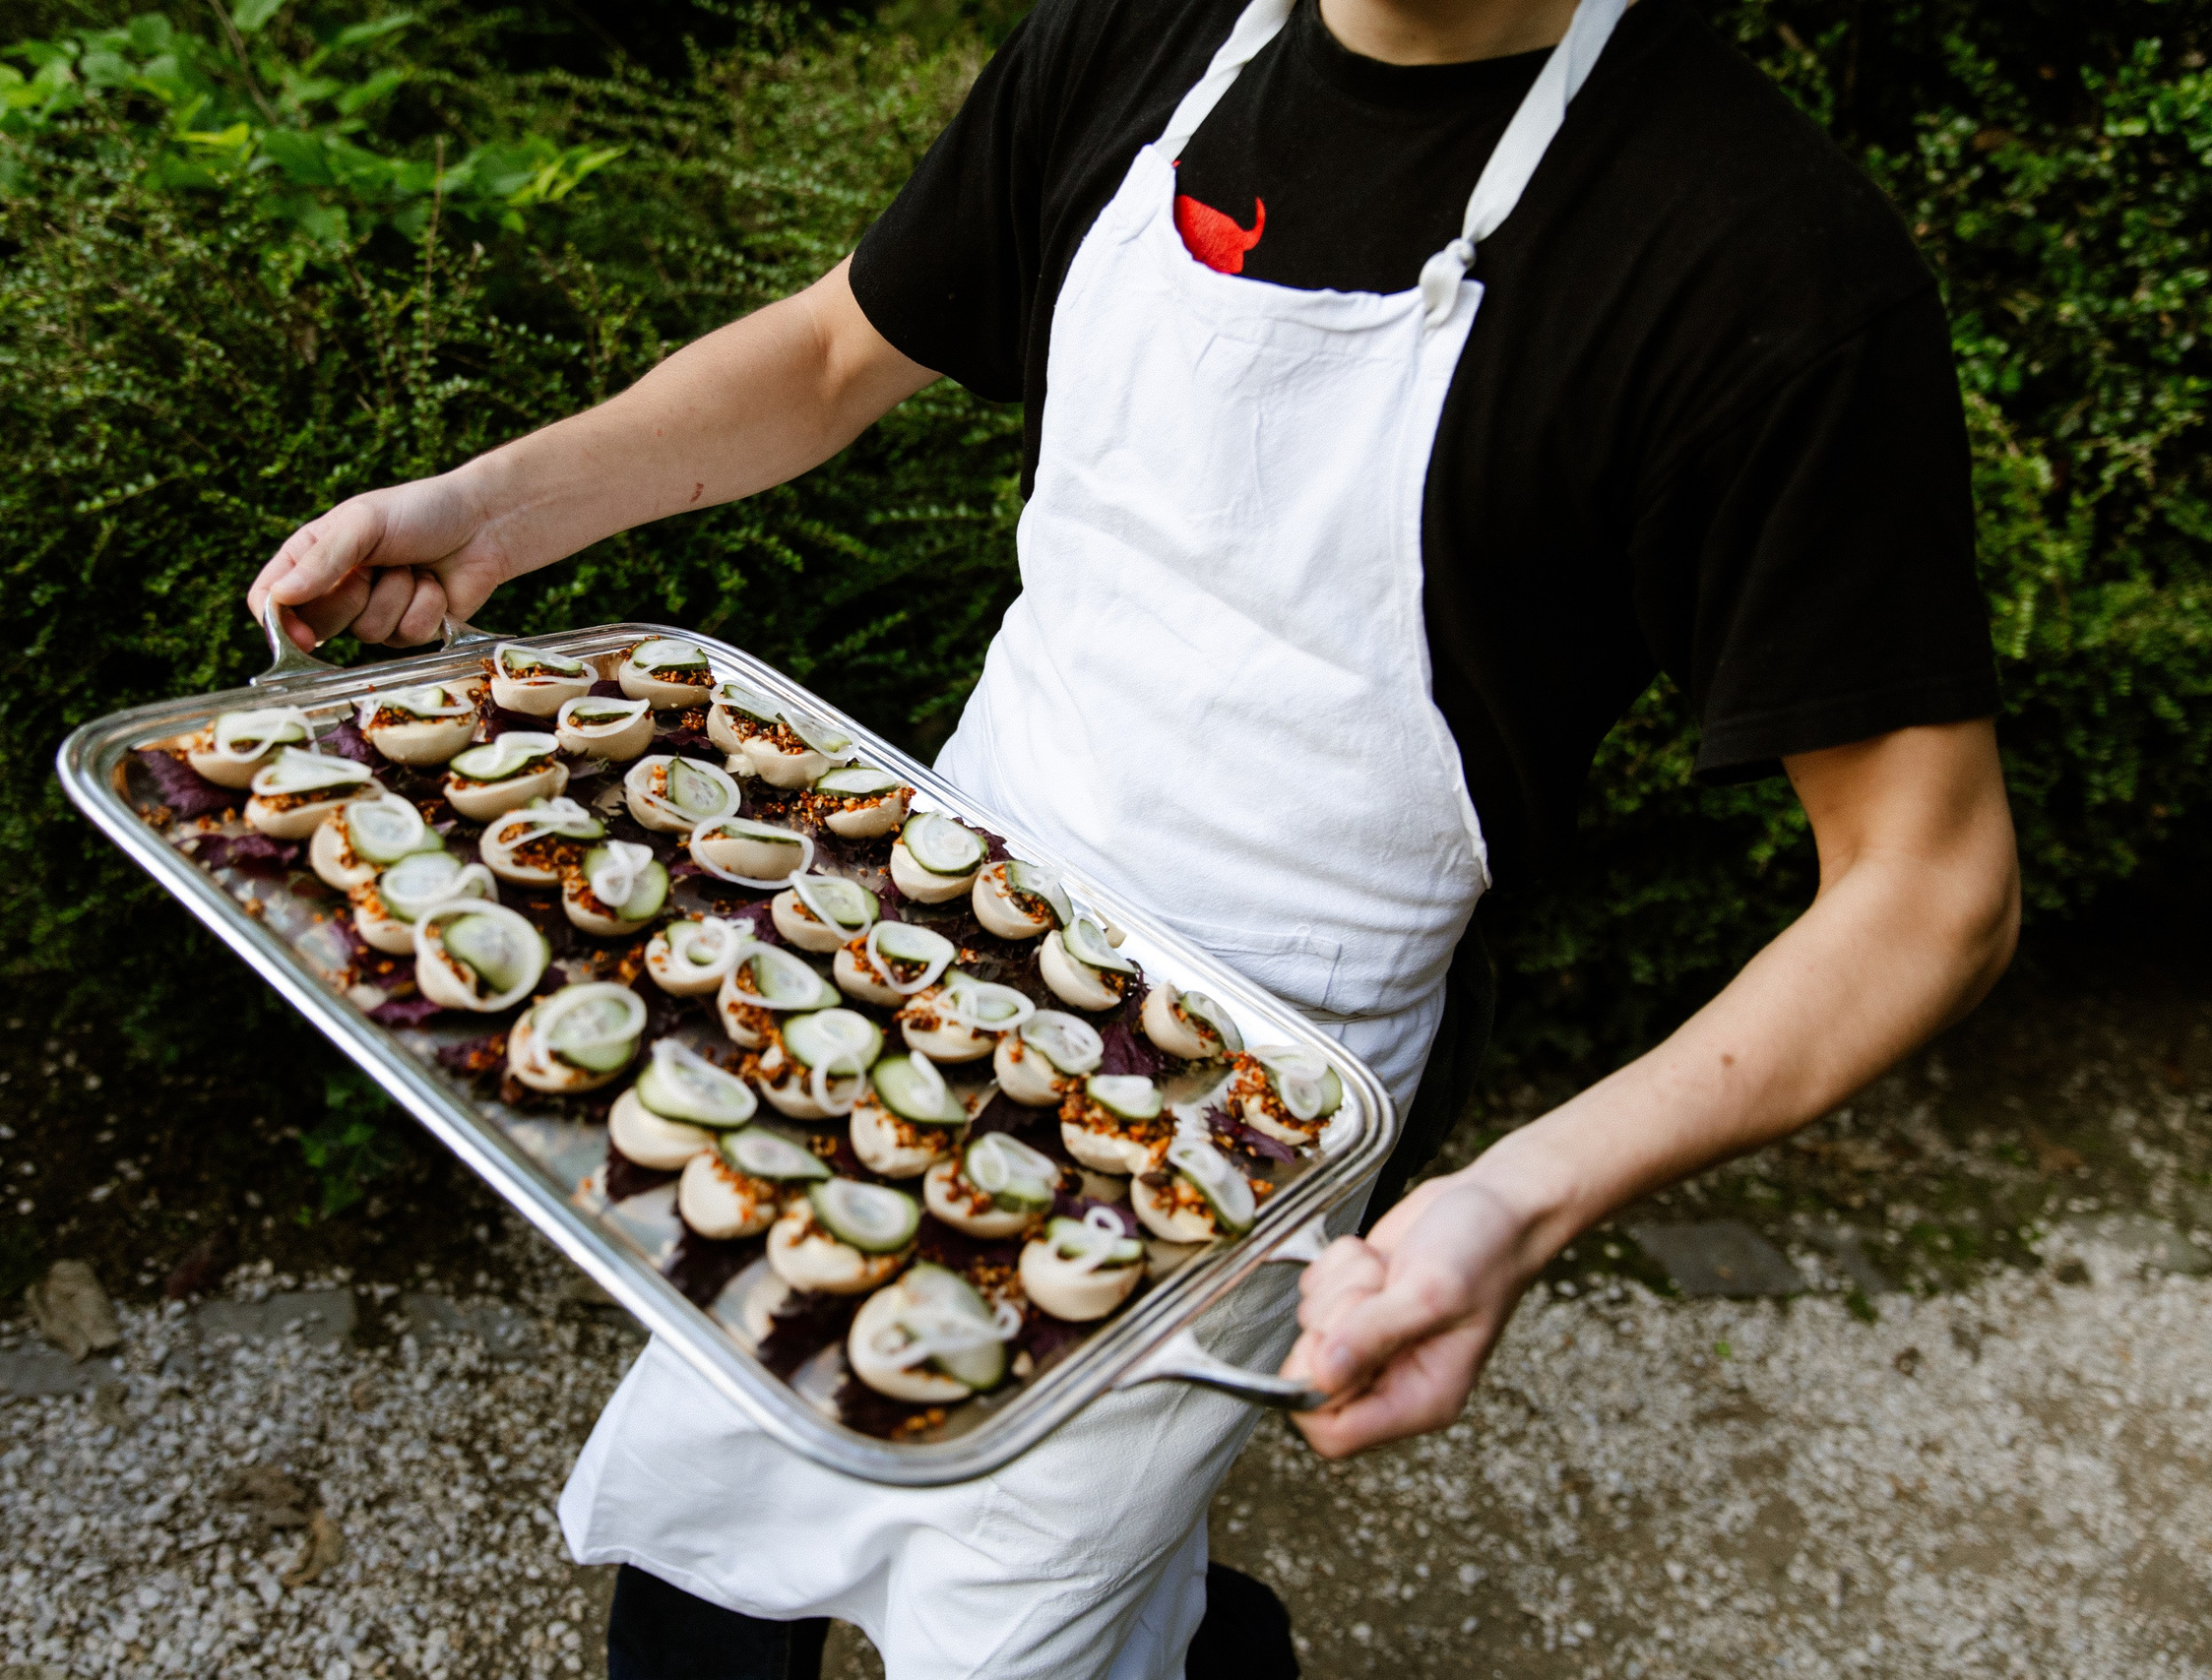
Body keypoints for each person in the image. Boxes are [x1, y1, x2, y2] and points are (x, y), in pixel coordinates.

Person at [248, 0, 2021, 1670]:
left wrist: (1514, 1205)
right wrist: (484, 517)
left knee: (1029, 1609)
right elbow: (830, 351)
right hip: (905, 916)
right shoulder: (1152, 34)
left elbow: (1929, 884)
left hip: (1259, 1092)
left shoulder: (1762, 262)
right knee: (718, 1523)